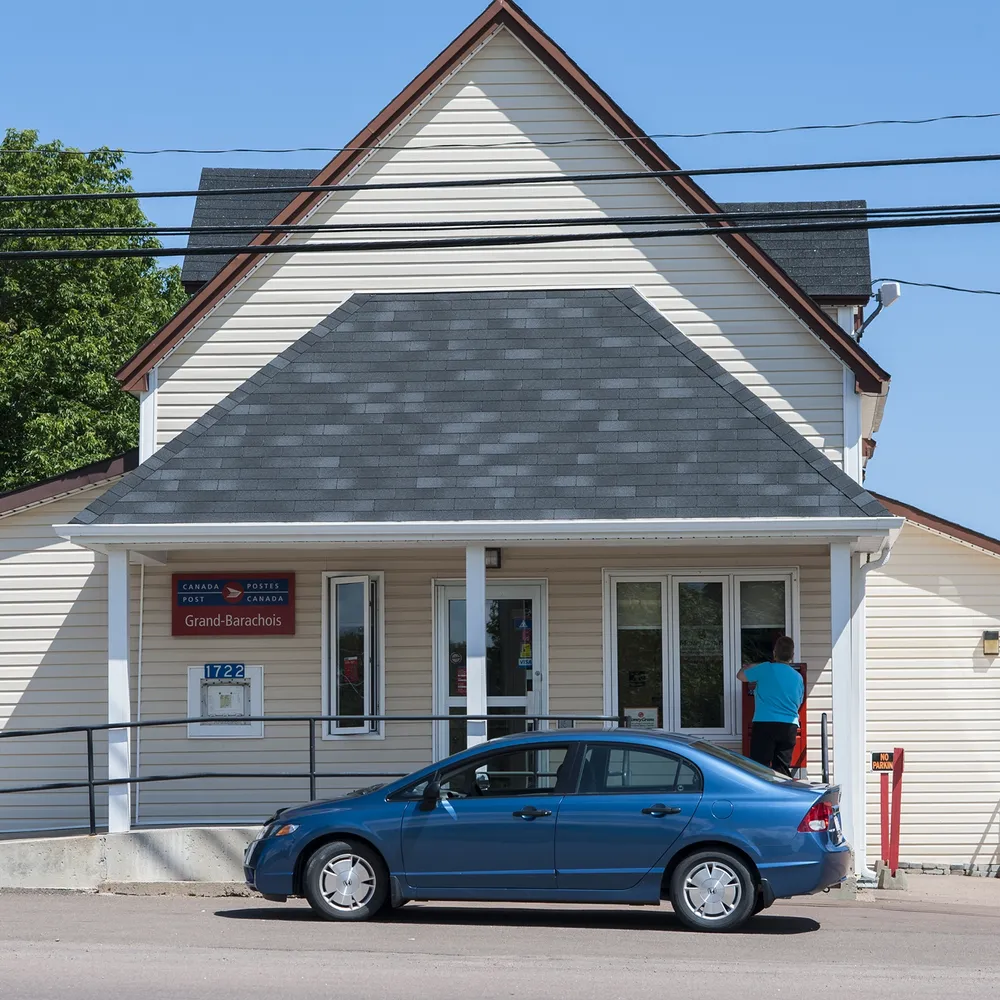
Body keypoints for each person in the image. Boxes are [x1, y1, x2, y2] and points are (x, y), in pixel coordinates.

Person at [737, 636, 804, 776]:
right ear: (792, 655)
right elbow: (799, 701)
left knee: (759, 768)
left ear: (774, 653)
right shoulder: (797, 677)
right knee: (782, 770)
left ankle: (761, 797)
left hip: (764, 723)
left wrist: (754, 666)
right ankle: (782, 795)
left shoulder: (765, 669)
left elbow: (741, 676)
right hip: (789, 726)